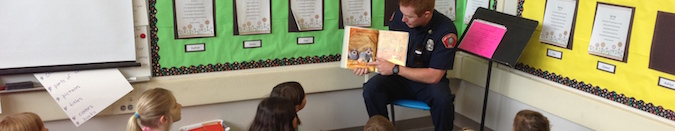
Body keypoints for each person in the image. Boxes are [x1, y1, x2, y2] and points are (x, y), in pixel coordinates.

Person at [353, 0, 459, 131]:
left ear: (426, 14)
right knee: (371, 89)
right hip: (398, 78)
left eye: (409, 16)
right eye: (402, 13)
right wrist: (367, 63)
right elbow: (389, 53)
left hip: (427, 82)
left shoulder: (445, 31)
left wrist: (395, 69)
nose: (403, 19)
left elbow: (434, 76)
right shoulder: (399, 17)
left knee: (443, 100)